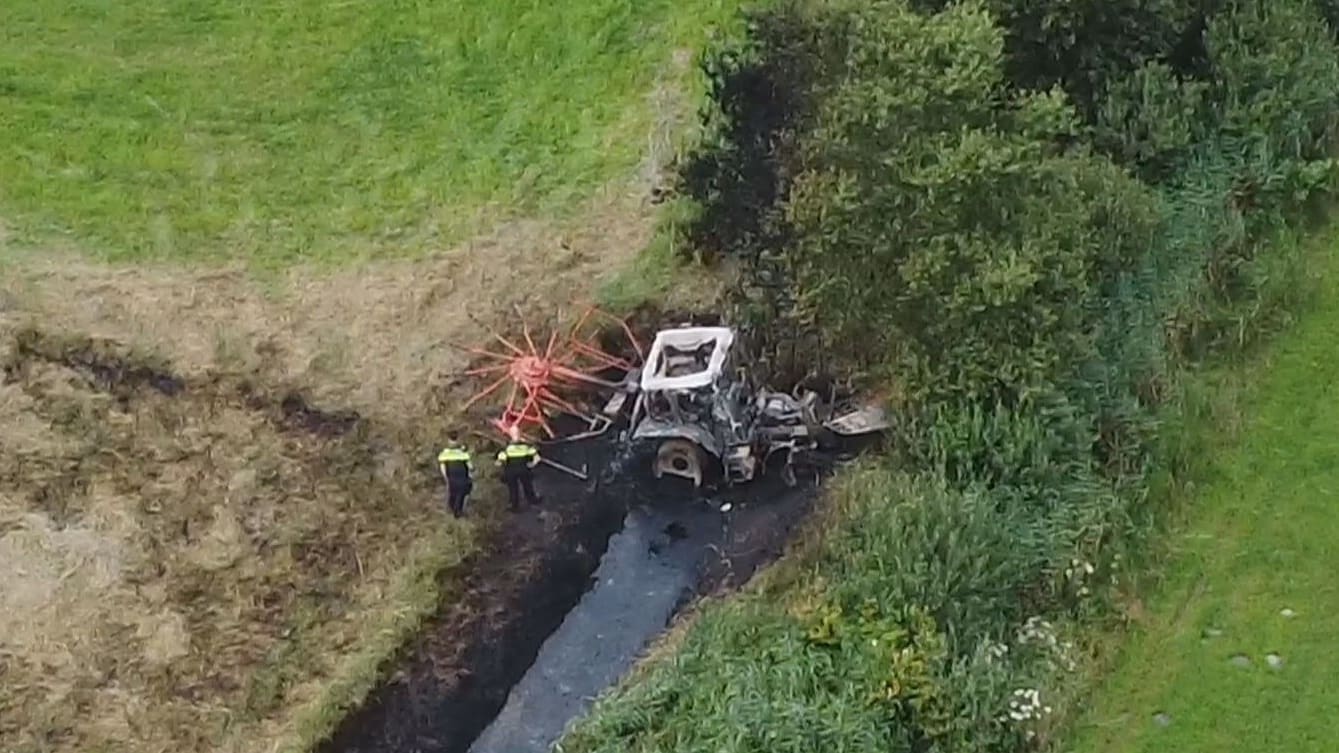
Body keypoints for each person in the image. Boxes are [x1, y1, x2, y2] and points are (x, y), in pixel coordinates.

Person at [495, 426, 542, 511]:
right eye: (515, 433)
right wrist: (532, 464)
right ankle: (530, 500)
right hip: (521, 469)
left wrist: (499, 464)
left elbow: (500, 460)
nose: (516, 435)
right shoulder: (525, 446)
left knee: (515, 488)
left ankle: (515, 505)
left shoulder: (507, 447)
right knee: (525, 486)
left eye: (516, 433)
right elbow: (537, 458)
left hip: (513, 470)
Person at [437, 438, 474, 518]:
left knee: (453, 493)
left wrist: (445, 477)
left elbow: (442, 467)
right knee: (460, 494)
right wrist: (471, 475)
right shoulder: (463, 454)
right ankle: (457, 511)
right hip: (462, 477)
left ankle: (453, 510)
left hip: (452, 477)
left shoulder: (444, 454)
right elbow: (470, 466)